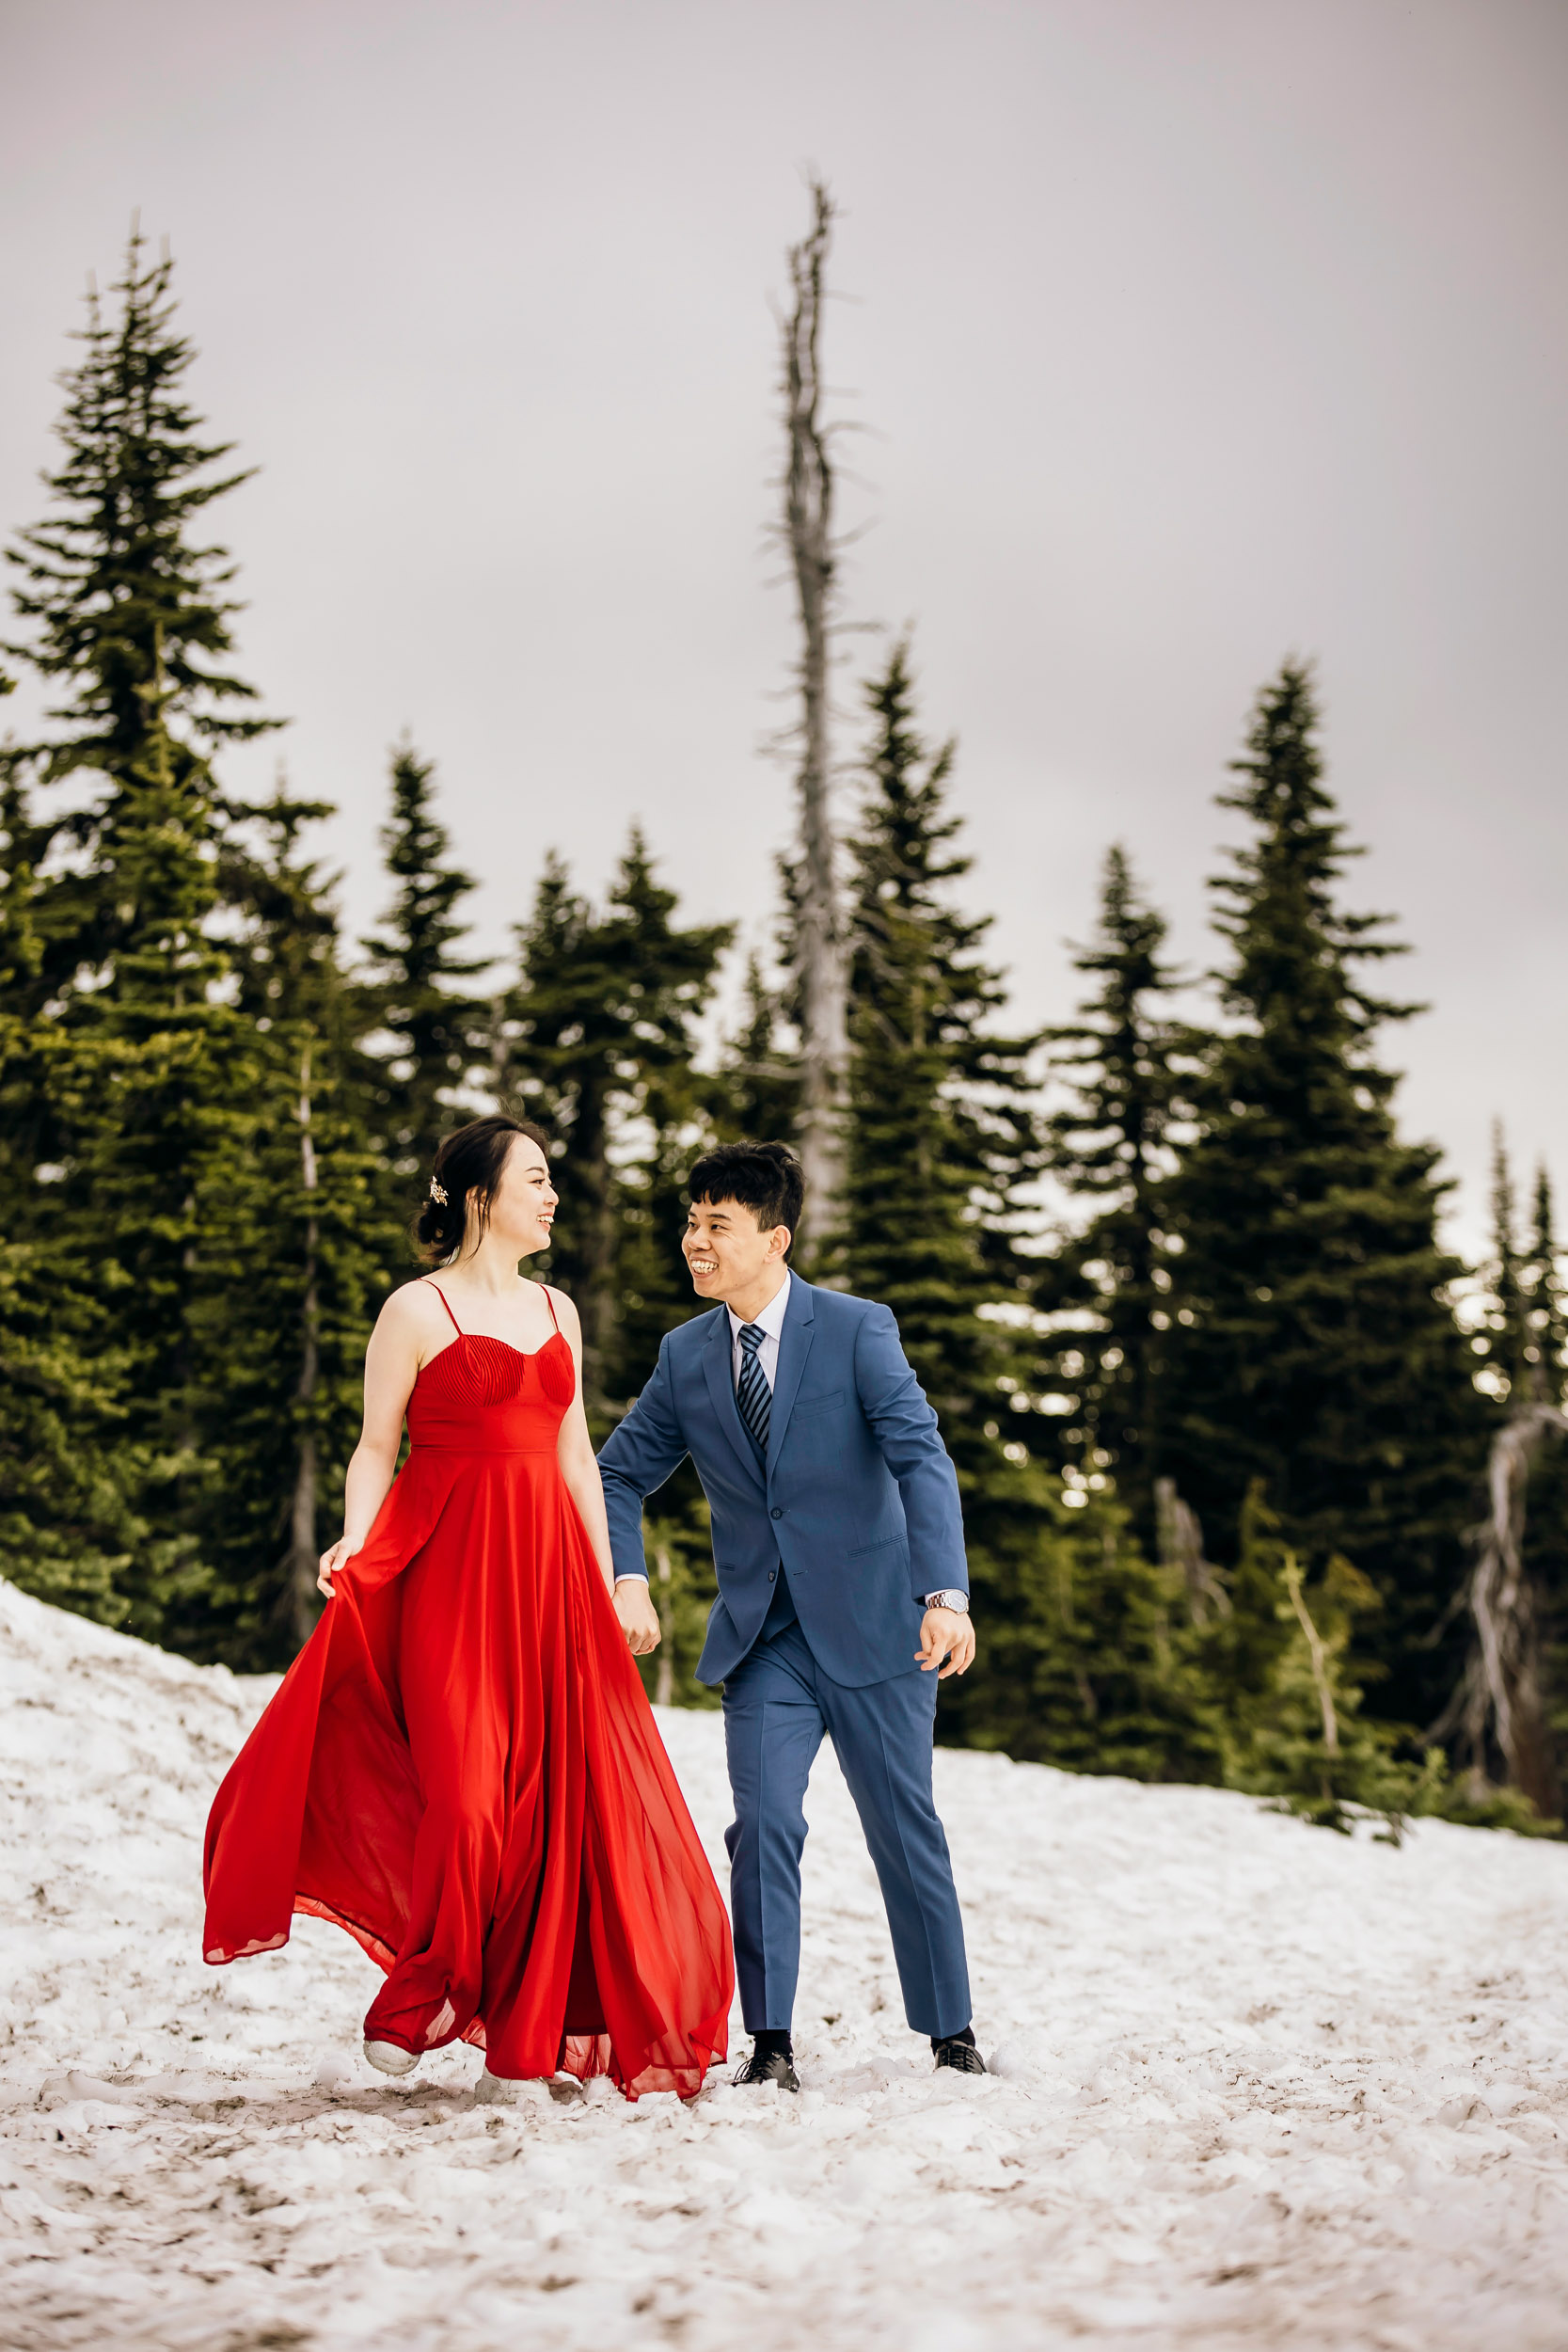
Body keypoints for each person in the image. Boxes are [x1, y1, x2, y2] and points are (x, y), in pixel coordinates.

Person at [202, 1116, 733, 2100]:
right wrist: (359, 1536)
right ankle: (423, 1991)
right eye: (535, 1178)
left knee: (554, 1810)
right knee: (468, 1799)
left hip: (552, 1579)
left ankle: (520, 2046)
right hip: (447, 1567)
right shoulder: (414, 1309)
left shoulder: (558, 1310)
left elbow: (576, 1453)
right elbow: (374, 1445)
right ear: (480, 1196)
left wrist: (618, 1576)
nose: (553, 1195)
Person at [597, 1139, 983, 2091]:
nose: (694, 1240)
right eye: (690, 1221)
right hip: (762, 1638)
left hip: (880, 1629)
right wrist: (627, 1575)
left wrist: (944, 1594)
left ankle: (949, 2030)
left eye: (714, 1225)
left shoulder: (856, 1330)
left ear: (773, 1238)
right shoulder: (684, 1354)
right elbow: (613, 1472)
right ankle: (768, 2042)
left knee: (904, 1826)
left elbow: (920, 1458)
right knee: (763, 1823)